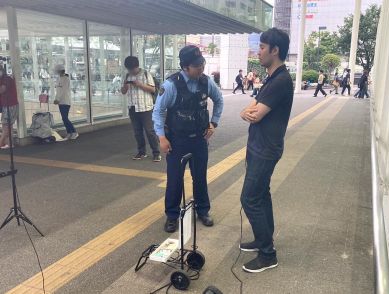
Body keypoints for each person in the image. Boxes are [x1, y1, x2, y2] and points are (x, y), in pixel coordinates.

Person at [239, 28, 293, 273]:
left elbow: (256, 113)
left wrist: (248, 113)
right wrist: (246, 112)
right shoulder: (273, 77)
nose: (257, 52)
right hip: (260, 146)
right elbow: (250, 108)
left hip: (265, 149)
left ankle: (268, 254)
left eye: (262, 48)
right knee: (261, 194)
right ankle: (263, 240)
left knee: (249, 198)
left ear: (275, 50)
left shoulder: (280, 80)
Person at [153, 45, 224, 233]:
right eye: (196, 66)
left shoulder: (206, 82)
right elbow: (158, 112)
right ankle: (172, 215)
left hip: (199, 140)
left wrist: (213, 123)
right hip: (176, 140)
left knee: (200, 177)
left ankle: (203, 211)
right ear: (185, 67)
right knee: (175, 179)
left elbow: (219, 100)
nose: (201, 69)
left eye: (202, 64)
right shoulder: (170, 86)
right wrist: (162, 137)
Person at [121, 56, 161, 162]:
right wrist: (125, 86)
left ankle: (156, 152)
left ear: (137, 66)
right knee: (137, 131)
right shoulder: (127, 76)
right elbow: (123, 91)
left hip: (145, 107)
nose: (131, 71)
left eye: (132, 69)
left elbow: (152, 89)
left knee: (149, 131)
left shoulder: (146, 74)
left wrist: (140, 85)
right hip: (132, 107)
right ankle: (141, 152)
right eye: (129, 69)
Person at [54, 64, 79, 140]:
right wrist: (56, 99)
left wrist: (57, 99)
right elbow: (58, 90)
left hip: (65, 101)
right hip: (60, 102)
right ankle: (69, 133)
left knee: (65, 118)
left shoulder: (66, 79)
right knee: (64, 118)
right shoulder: (58, 79)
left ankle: (74, 132)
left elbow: (63, 90)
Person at [0, 67, 19, 149]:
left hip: (10, 105)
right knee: (5, 125)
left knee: (6, 125)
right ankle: (9, 143)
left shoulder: (6, 79)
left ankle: (1, 142)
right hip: (6, 105)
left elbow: (2, 90)